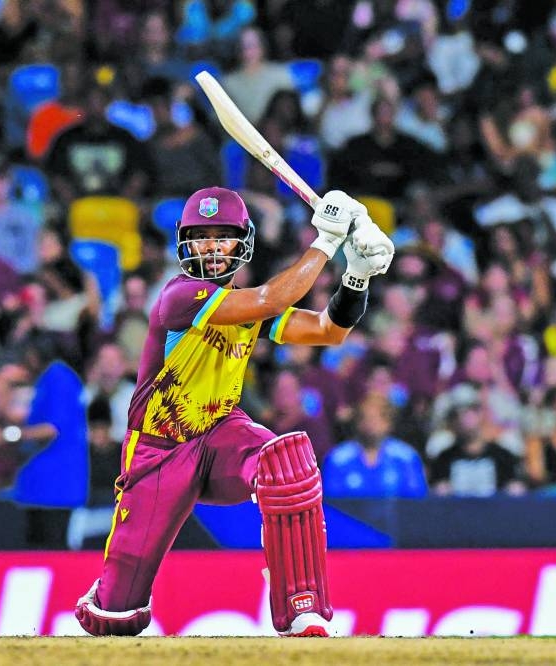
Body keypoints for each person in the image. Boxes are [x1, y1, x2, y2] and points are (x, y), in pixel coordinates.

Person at [74, 186, 394, 637]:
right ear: (185, 242)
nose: (211, 247)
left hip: (221, 434)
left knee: (287, 464)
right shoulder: (179, 296)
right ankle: (107, 594)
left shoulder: (249, 303)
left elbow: (327, 331)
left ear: (241, 242)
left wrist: (356, 276)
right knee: (114, 618)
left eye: (221, 236)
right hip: (159, 451)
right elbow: (267, 301)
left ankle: (301, 607)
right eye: (201, 236)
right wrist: (325, 242)